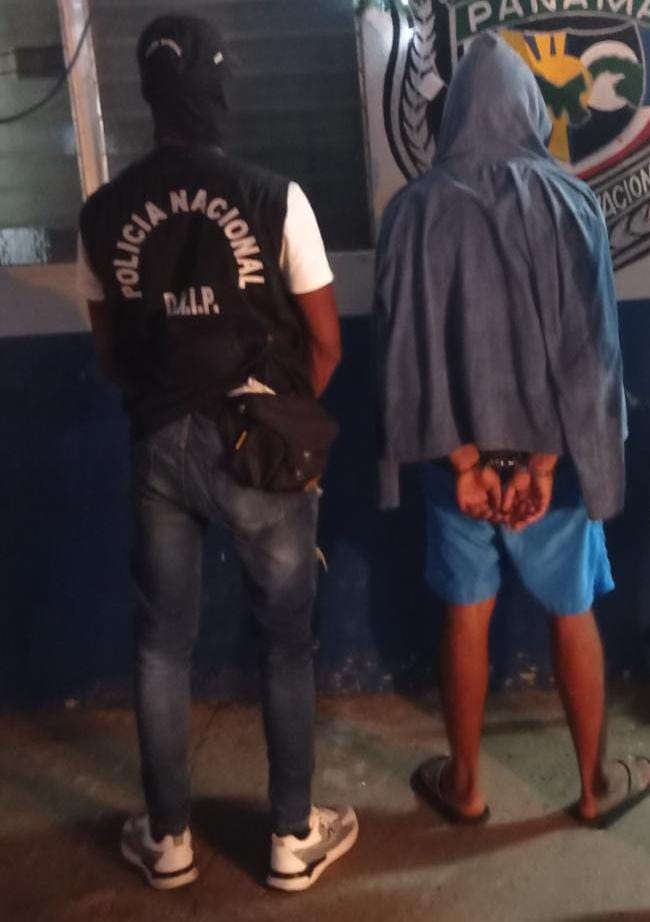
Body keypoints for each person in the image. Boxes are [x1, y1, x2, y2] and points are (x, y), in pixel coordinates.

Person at [77, 14, 355, 892]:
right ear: (219, 88)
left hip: (159, 444)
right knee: (285, 644)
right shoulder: (277, 198)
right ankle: (291, 838)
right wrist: (281, 421)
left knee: (162, 648)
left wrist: (173, 398)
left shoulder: (102, 214)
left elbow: (111, 354)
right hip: (260, 444)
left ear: (149, 96)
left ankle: (168, 841)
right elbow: (326, 344)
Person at [373, 33, 650, 828]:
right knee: (573, 610)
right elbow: (592, 354)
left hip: (453, 468)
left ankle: (465, 786)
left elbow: (400, 355)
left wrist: (467, 463)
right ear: (533, 110)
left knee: (465, 612)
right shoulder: (572, 204)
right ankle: (595, 788)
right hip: (549, 469)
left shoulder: (411, 210)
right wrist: (542, 465)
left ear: (454, 114)